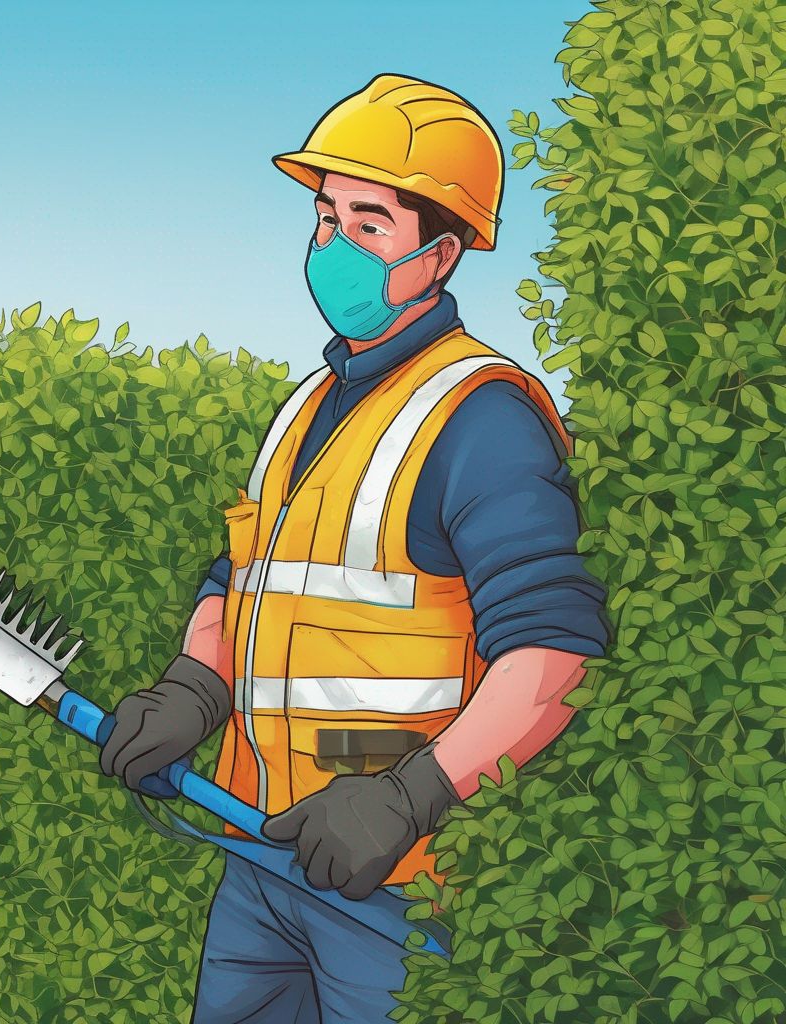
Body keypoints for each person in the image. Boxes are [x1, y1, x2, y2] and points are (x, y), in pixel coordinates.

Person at [98, 74, 612, 1024]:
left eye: (369, 225)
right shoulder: (306, 407)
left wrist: (409, 798)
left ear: (442, 254)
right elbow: (241, 582)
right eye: (326, 218)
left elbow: (553, 654)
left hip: (399, 885)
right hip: (261, 856)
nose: (333, 247)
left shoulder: (482, 419)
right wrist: (193, 689)